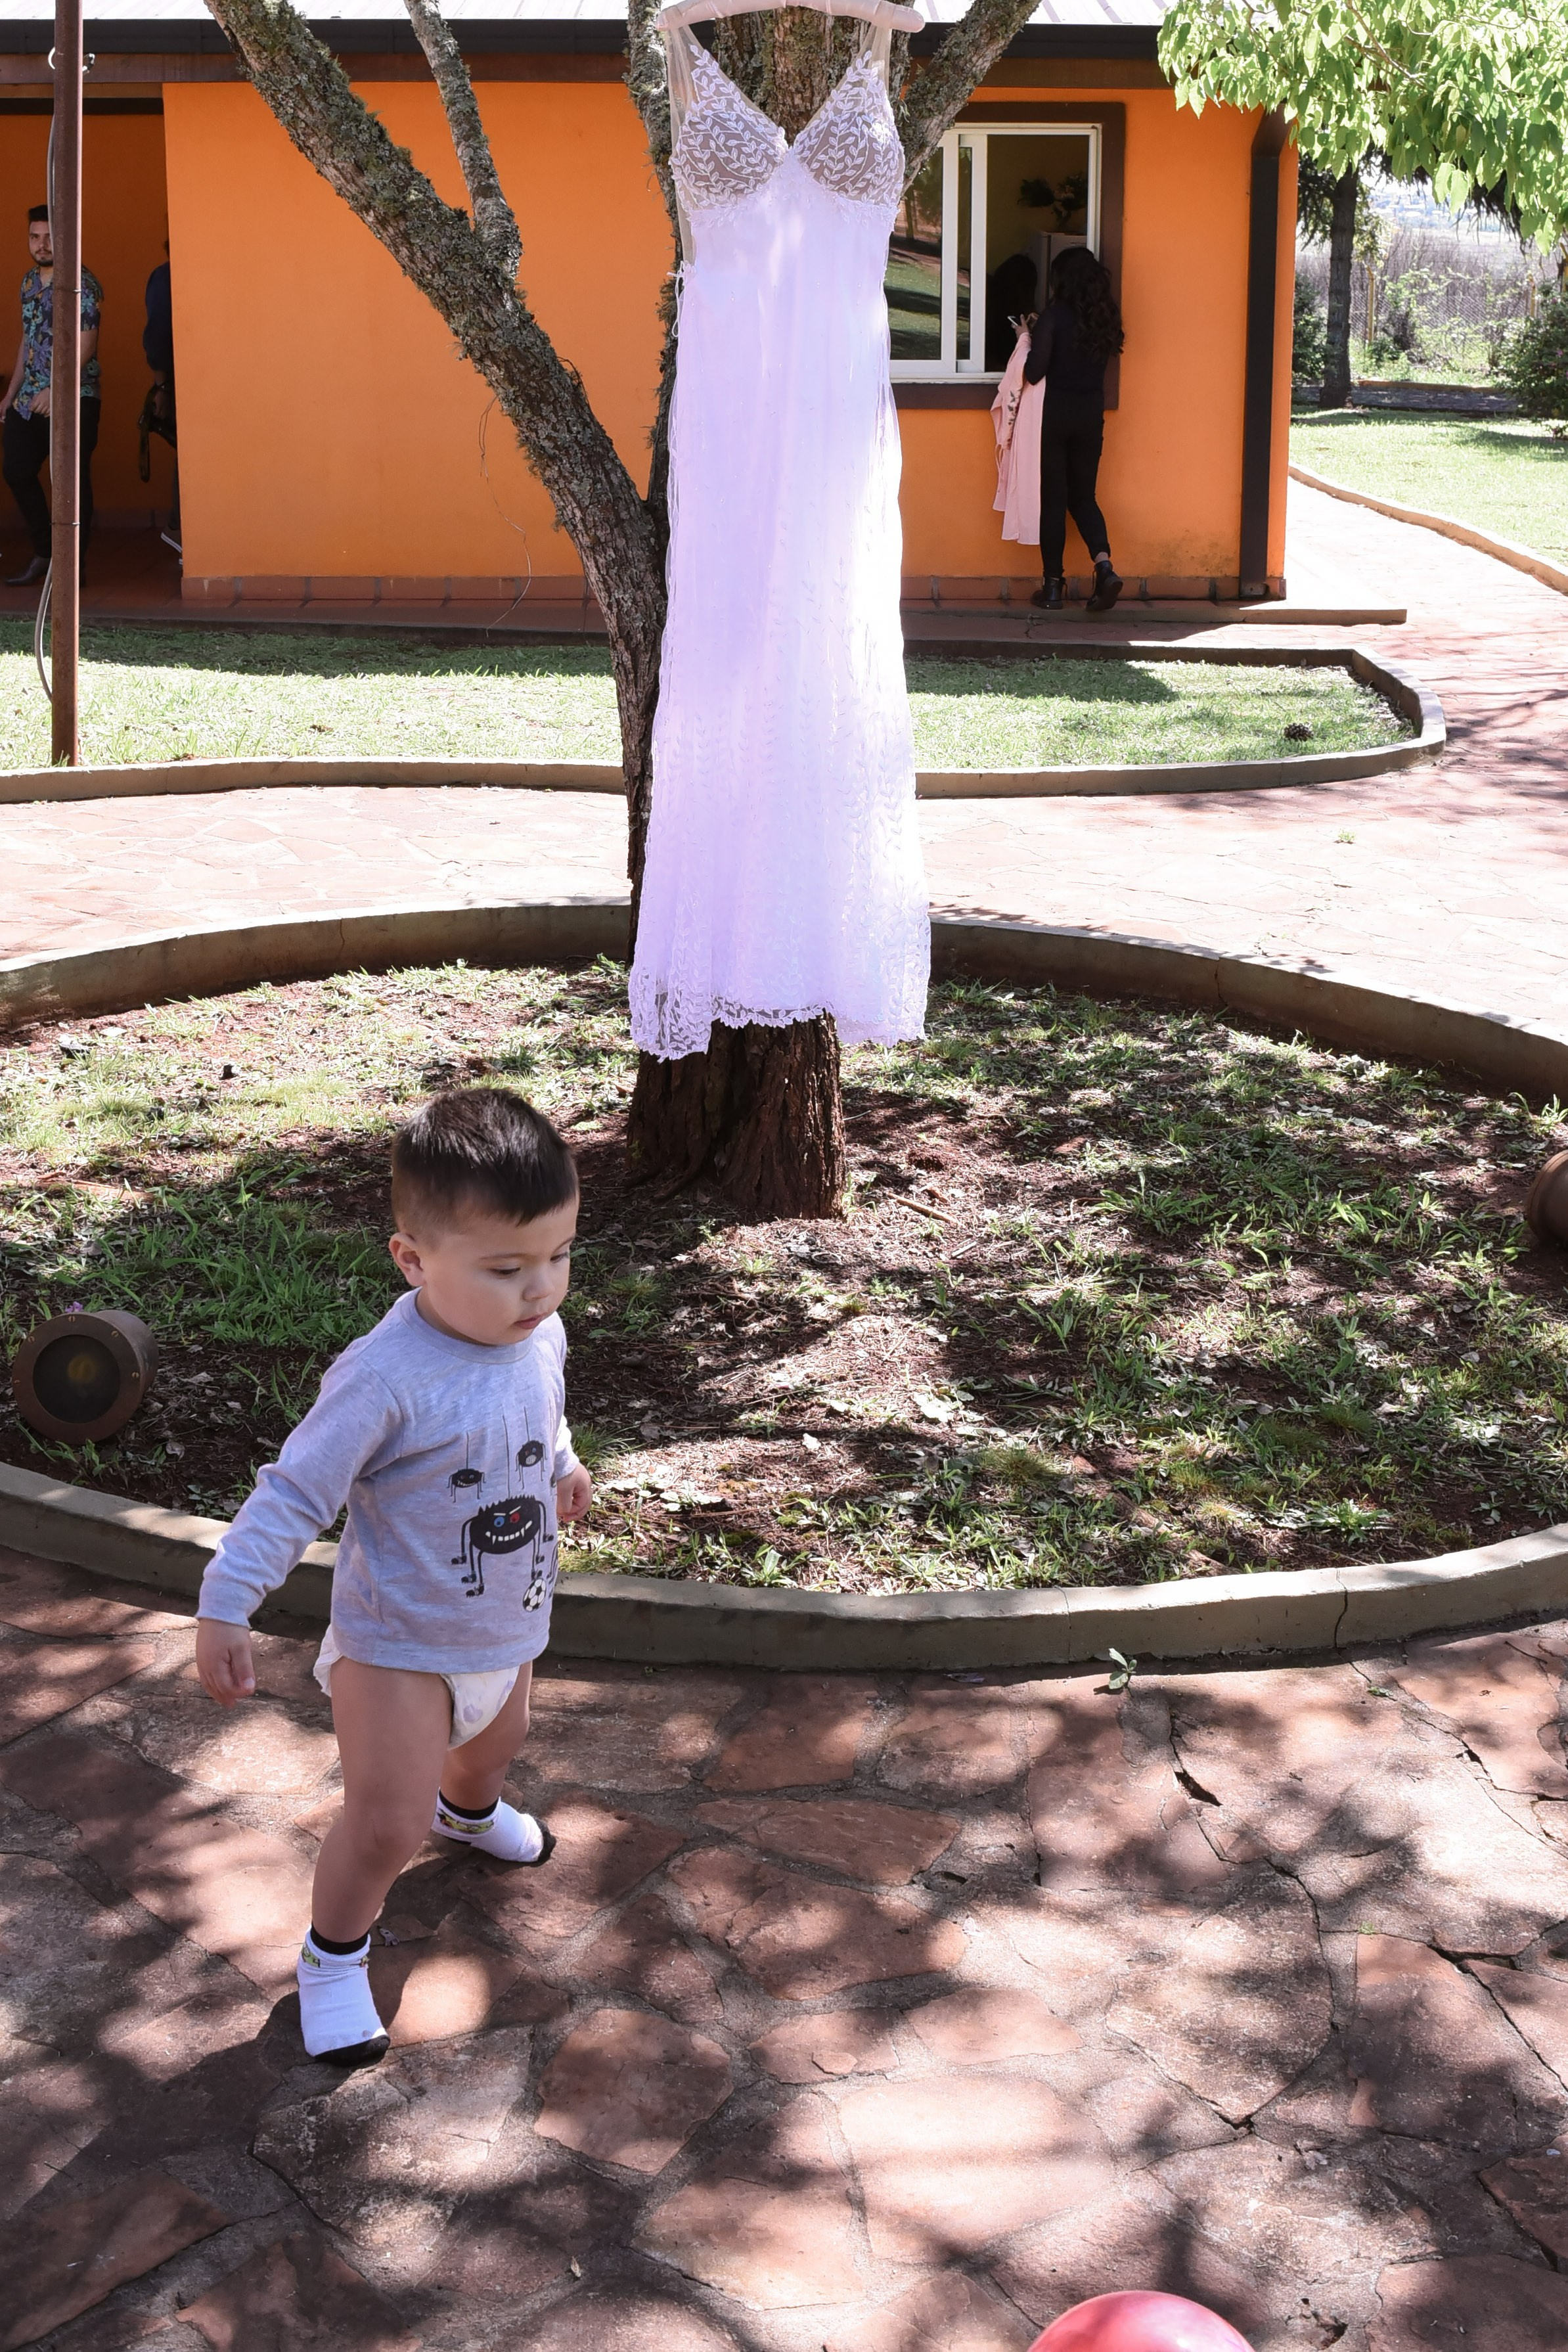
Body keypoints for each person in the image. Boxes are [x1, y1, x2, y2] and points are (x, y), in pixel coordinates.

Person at [193, 1087, 593, 2068]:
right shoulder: (383, 1378)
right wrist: (226, 1598)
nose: (539, 1288)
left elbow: (540, 1410)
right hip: (399, 1642)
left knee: (497, 1746)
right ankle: (332, 1960)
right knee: (383, 1825)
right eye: (505, 1268)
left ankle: (471, 1812)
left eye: (558, 1256)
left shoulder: (536, 1333)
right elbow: (294, 1493)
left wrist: (564, 1460)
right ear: (413, 1259)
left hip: (507, 1619)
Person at [1, 202, 102, 587]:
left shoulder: (83, 283)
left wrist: (54, 389)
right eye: (35, 237)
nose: (42, 245)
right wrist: (11, 394)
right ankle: (46, 553)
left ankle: (73, 569)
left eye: (49, 237)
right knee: (16, 470)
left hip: (77, 395)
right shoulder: (28, 283)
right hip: (29, 396)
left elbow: (86, 345)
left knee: (73, 481)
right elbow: (28, 341)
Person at [1023, 243, 1125, 614]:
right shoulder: (1106, 317)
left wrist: (1026, 335)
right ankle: (1104, 567)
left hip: (1055, 416)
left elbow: (1035, 372)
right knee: (1083, 498)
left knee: (1054, 500)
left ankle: (1053, 587)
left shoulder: (1053, 316)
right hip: (1089, 415)